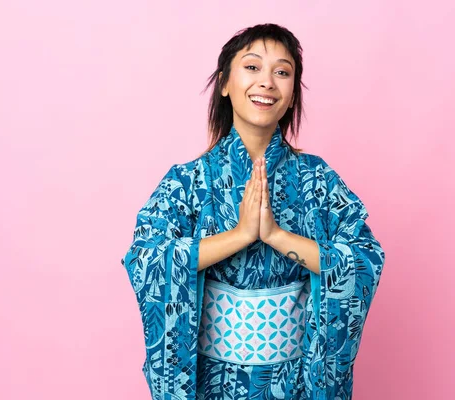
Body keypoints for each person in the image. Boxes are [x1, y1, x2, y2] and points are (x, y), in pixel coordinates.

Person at [121, 23, 386, 400]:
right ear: (225, 83)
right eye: (252, 67)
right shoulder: (188, 180)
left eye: (282, 72)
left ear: (293, 94)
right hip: (212, 382)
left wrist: (276, 236)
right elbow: (146, 257)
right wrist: (240, 236)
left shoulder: (318, 180)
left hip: (295, 382)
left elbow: (363, 259)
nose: (267, 82)